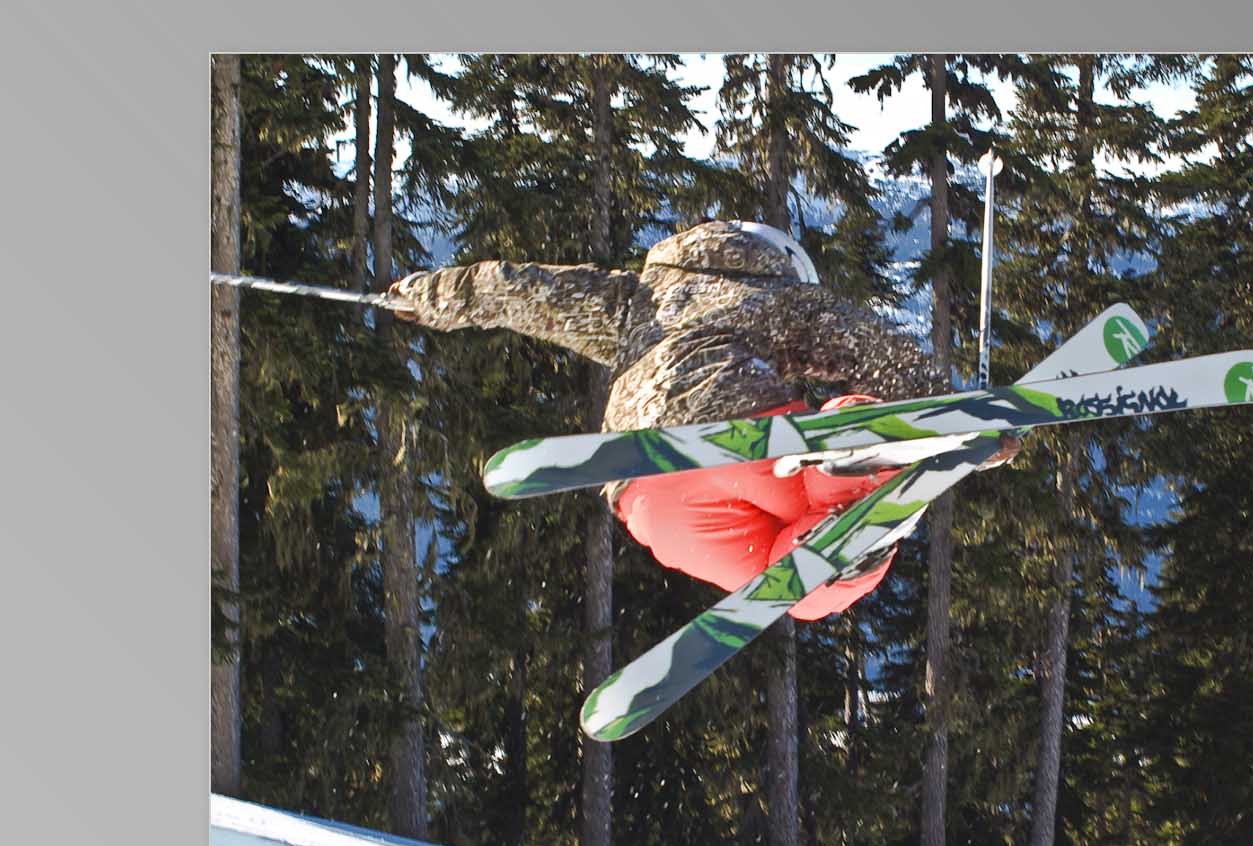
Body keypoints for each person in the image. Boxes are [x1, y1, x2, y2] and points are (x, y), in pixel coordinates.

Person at [390, 220, 1012, 619]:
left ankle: (838, 545)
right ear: (782, 262)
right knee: (845, 440)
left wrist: (427, 297)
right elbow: (868, 349)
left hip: (644, 491)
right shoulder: (782, 294)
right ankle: (852, 475)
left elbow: (522, 292)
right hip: (732, 428)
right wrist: (958, 414)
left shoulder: (634, 297)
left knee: (784, 583)